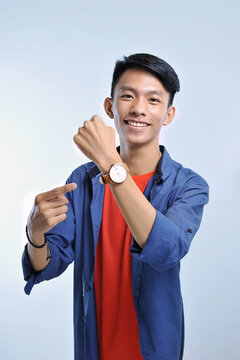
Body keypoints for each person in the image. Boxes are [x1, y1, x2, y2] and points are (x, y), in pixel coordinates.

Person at [22, 53, 209, 360]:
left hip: (154, 350)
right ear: (110, 106)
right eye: (127, 96)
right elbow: (48, 264)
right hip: (94, 348)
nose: (138, 108)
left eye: (153, 100)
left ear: (169, 114)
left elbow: (167, 251)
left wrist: (109, 162)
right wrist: (35, 235)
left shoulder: (188, 186)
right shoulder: (82, 181)